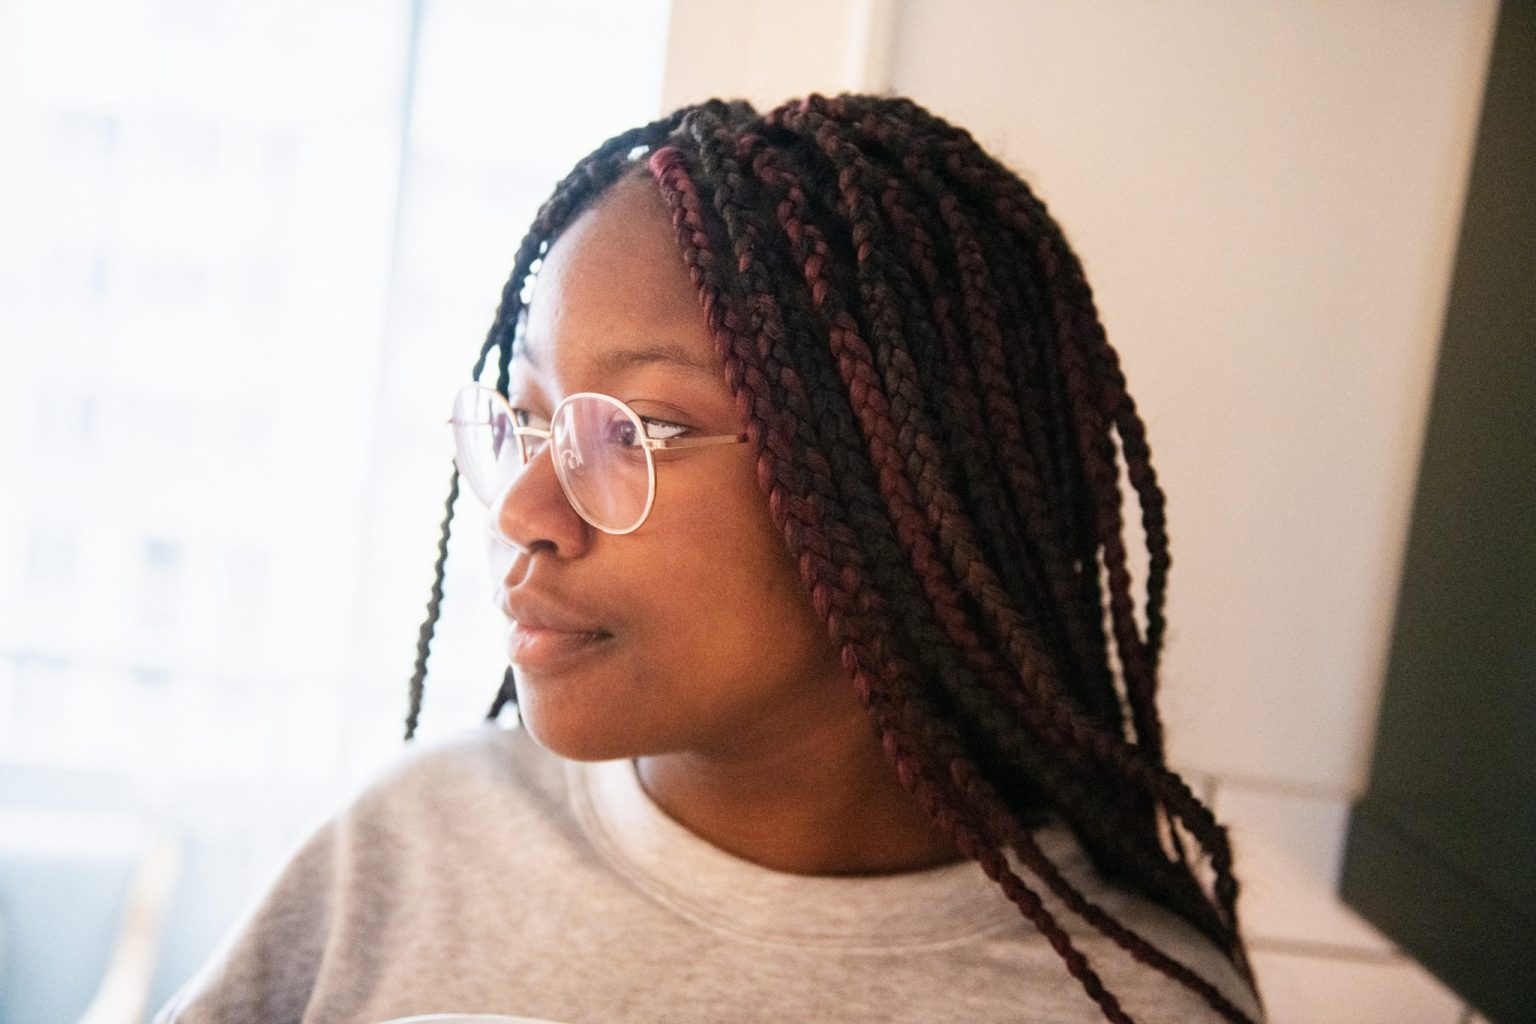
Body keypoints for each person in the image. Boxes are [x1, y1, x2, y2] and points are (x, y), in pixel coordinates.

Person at [156, 94, 1266, 1024]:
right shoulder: (410, 848)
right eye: (529, 417)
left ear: (887, 493)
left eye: (632, 429)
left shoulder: (1129, 1003)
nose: (528, 507)